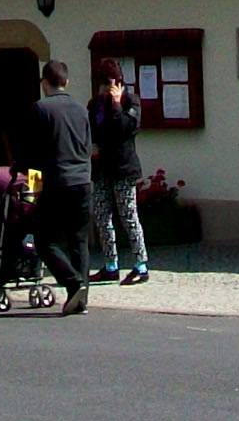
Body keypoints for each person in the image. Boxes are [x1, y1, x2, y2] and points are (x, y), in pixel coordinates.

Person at [13, 59, 92, 314]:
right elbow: (87, 148)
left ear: (44, 82)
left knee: (45, 240)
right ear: (66, 82)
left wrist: (29, 193)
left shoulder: (41, 109)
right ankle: (80, 298)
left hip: (56, 183)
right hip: (83, 181)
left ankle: (73, 283)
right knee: (79, 241)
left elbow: (31, 155)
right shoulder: (81, 110)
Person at [87, 57, 151, 285]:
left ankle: (141, 265)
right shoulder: (94, 105)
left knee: (128, 216)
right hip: (102, 168)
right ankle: (110, 265)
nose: (105, 88)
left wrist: (115, 105)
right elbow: (92, 132)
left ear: (119, 82)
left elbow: (126, 128)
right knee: (102, 216)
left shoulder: (131, 101)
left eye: (109, 83)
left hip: (123, 168)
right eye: (102, 83)